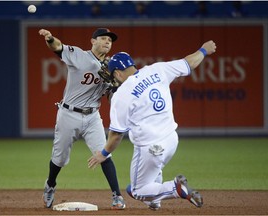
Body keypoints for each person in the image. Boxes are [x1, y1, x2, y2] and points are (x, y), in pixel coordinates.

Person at [88, 40, 217, 210]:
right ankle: (154, 201)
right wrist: (203, 50)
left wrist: (103, 153)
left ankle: (176, 188)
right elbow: (189, 63)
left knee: (136, 190)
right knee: (150, 185)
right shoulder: (157, 69)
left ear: (117, 74)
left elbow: (116, 135)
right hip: (171, 140)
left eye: (113, 75)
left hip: (150, 148)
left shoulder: (122, 94)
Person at [38, 28, 125, 210]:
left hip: (93, 116)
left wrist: (115, 86)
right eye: (103, 38)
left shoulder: (111, 67)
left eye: (110, 40)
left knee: (104, 153)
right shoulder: (79, 55)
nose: (107, 42)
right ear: (93, 41)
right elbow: (58, 47)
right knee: (59, 159)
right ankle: (50, 185)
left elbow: (110, 96)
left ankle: (117, 196)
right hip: (69, 114)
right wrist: (50, 38)